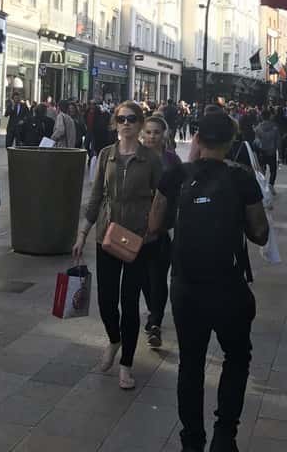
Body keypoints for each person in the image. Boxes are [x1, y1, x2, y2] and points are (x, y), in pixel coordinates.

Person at [156, 110, 269, 452]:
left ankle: (192, 440)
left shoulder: (175, 175)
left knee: (191, 362)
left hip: (186, 286)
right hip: (227, 286)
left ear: (198, 139)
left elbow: (153, 225)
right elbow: (260, 233)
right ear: (231, 142)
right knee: (236, 356)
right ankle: (225, 435)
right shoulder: (242, 178)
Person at [72, 101, 163, 391]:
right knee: (107, 301)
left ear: (140, 123)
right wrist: (83, 232)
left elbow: (162, 196)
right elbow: (96, 195)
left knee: (129, 302)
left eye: (132, 119)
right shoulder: (106, 155)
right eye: (121, 119)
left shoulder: (150, 159)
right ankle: (114, 339)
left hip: (139, 239)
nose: (126, 123)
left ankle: (126, 364)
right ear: (115, 123)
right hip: (107, 235)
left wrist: (155, 226)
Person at [139, 115, 181, 350]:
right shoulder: (135, 158)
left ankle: (155, 321)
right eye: (148, 132)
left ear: (164, 135)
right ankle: (153, 311)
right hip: (136, 228)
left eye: (156, 132)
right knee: (144, 276)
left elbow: (177, 193)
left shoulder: (172, 160)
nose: (152, 136)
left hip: (162, 228)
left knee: (157, 275)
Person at [253, 109, 280, 189]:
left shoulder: (258, 128)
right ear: (270, 117)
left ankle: (263, 185)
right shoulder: (275, 127)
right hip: (272, 151)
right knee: (273, 170)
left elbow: (256, 141)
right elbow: (278, 140)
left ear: (262, 117)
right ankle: (271, 185)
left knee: (262, 169)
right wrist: (280, 153)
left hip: (262, 152)